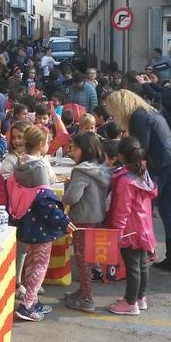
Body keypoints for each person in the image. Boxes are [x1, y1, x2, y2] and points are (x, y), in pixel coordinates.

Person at [105, 89, 171, 272]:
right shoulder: (150, 112)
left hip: (161, 167)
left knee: (142, 210)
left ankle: (144, 253)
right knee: (166, 212)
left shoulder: (138, 117)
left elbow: (139, 149)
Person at [13, 126, 74, 321]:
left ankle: (32, 299)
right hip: (40, 225)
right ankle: (27, 305)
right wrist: (63, 221)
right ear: (41, 145)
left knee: (32, 262)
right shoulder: (39, 167)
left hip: (26, 221)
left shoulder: (21, 163)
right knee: (40, 264)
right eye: (47, 142)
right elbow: (44, 202)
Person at [105, 142, 157, 315]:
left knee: (132, 267)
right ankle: (139, 298)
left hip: (130, 229)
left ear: (120, 157)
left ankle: (130, 302)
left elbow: (122, 209)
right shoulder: (142, 174)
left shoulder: (126, 180)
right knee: (142, 264)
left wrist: (118, 232)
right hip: (143, 227)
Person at [62, 132, 111, 313]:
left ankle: (87, 299)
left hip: (82, 220)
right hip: (97, 218)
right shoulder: (102, 169)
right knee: (89, 259)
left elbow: (72, 197)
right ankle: (82, 291)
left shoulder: (81, 171)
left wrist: (67, 187)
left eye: (74, 148)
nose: (71, 152)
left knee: (82, 260)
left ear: (85, 150)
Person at [138, 71, 171, 152]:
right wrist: (150, 83)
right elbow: (162, 90)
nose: (170, 80)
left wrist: (143, 84)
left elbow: (154, 95)